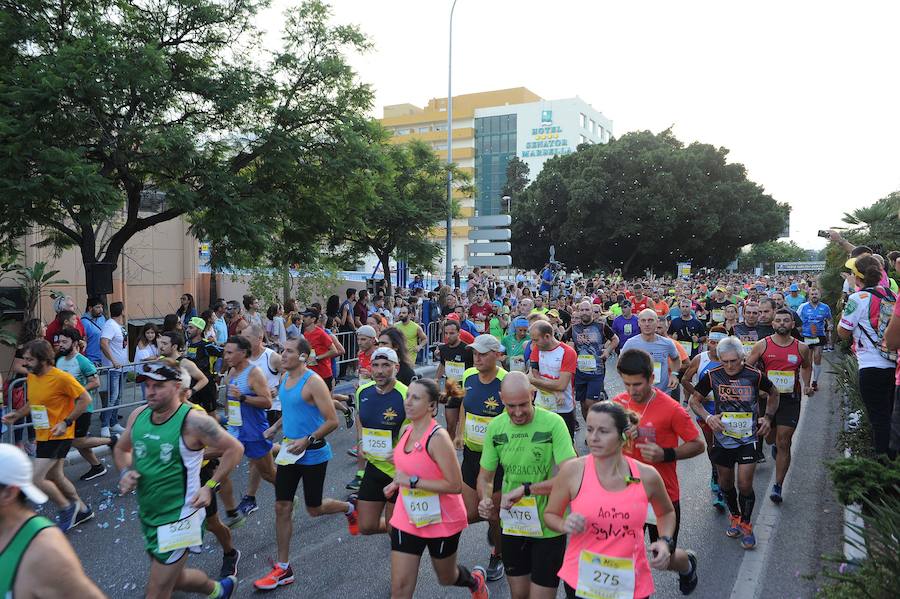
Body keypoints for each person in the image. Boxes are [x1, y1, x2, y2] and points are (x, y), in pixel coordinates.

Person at [115, 361, 243, 599]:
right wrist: (125, 472)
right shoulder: (139, 415)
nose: (150, 391)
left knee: (156, 591)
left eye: (158, 386)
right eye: (147, 385)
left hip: (182, 515)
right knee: (176, 579)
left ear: (176, 387)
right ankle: (219, 590)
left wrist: (210, 487)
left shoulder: (194, 422)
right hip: (150, 512)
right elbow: (122, 449)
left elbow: (234, 449)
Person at [545, 402, 698, 599]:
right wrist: (564, 524)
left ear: (623, 435)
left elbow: (666, 512)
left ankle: (688, 564)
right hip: (581, 577)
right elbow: (550, 515)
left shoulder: (647, 476)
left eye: (603, 431)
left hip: (630, 580)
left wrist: (665, 540)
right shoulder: (572, 471)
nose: (593, 438)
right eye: (590, 429)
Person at [253, 337, 359, 591]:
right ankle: (283, 567)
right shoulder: (283, 379)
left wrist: (308, 439)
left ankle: (348, 507)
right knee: (282, 506)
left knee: (314, 508)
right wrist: (275, 428)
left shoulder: (313, 382)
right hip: (290, 451)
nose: (282, 354)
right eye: (281, 350)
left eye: (288, 351)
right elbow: (289, 411)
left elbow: (331, 420)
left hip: (313, 452)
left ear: (302, 356)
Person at [383, 379, 489, 599]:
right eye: (407, 396)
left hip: (441, 519)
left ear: (432, 406)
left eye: (415, 398)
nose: (408, 402)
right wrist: (396, 483)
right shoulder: (406, 431)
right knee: (399, 587)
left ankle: (474, 581)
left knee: (446, 577)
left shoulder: (438, 438)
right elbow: (409, 468)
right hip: (409, 516)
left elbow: (455, 485)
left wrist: (412, 481)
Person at [477, 371, 577, 599]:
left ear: (533, 394)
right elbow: (485, 476)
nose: (518, 412)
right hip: (514, 525)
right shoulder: (496, 427)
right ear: (501, 398)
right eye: (511, 406)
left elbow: (570, 475)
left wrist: (529, 489)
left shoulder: (553, 423)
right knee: (519, 595)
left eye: (524, 404)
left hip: (549, 525)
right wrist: (484, 498)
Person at [611, 350, 704, 593]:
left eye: (638, 384)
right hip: (626, 492)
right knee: (624, 554)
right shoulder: (618, 404)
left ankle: (686, 564)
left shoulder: (671, 409)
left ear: (652, 378)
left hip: (662, 496)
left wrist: (666, 454)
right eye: (627, 384)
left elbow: (698, 444)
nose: (632, 391)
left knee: (663, 558)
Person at [690, 337, 778, 549]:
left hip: (748, 437)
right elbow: (694, 401)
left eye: (734, 361)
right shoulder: (713, 376)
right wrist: (708, 417)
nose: (729, 366)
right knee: (725, 484)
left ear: (742, 357)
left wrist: (767, 417)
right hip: (723, 438)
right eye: (725, 361)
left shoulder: (754, 375)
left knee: (745, 484)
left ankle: (747, 525)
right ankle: (736, 516)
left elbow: (774, 393)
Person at [2, 339, 94, 532]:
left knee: (35, 478)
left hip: (60, 434)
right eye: (25, 359)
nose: (25, 363)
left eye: (30, 359)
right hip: (43, 434)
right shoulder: (33, 376)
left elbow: (85, 399)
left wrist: (66, 422)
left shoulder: (61, 378)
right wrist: (17, 414)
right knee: (55, 476)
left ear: (43, 360)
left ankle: (67, 508)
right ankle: (83, 510)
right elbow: (34, 402)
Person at [0, 444, 106, 598]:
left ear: (8, 493)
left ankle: (75, 509)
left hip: (55, 437)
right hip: (47, 437)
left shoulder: (45, 549)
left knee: (52, 475)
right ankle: (77, 509)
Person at [455, 334, 508, 582]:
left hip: (497, 461)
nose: (477, 358)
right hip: (471, 454)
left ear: (497, 355)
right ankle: (498, 529)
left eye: (483, 353)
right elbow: (465, 405)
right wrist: (459, 432)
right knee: (470, 512)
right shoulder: (468, 376)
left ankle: (498, 553)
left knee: (492, 513)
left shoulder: (506, 382)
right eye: (475, 353)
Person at [747, 309, 814, 503]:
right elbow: (748, 367)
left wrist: (807, 384)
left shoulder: (801, 348)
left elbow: (806, 365)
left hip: (790, 399)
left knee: (784, 441)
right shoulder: (762, 345)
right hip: (767, 399)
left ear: (792, 325)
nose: (782, 323)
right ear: (773, 324)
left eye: (786, 321)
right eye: (778, 321)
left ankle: (778, 485)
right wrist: (757, 387)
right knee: (769, 438)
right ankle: (774, 442)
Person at [220, 335, 276, 521]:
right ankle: (229, 511)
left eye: (230, 352)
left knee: (269, 474)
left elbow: (267, 402)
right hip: (234, 430)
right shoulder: (232, 372)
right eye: (225, 352)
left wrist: (243, 398)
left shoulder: (254, 373)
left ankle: (288, 493)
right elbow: (230, 399)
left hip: (253, 431)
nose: (225, 356)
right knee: (215, 464)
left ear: (243, 353)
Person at [354, 347, 409, 535]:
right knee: (366, 526)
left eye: (386, 365)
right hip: (374, 466)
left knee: (395, 531)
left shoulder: (406, 395)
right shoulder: (362, 392)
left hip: (399, 471)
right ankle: (407, 525)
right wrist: (361, 440)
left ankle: (402, 527)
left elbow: (417, 431)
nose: (379, 371)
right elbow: (359, 416)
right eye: (375, 365)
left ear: (396, 368)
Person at [54, 328, 116, 481]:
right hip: (65, 408)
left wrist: (77, 391)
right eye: (59, 341)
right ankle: (97, 467)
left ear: (74, 343)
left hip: (82, 408)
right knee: (76, 442)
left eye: (64, 342)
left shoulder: (82, 360)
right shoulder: (59, 360)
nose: (60, 345)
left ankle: (113, 441)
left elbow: (96, 382)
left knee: (77, 441)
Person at [680, 327, 727, 510]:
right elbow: (685, 379)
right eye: (712, 342)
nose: (715, 346)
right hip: (705, 410)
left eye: (719, 343)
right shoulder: (701, 359)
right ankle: (716, 472)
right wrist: (698, 394)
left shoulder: (731, 359)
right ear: (708, 342)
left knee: (725, 447)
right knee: (713, 445)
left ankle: (724, 486)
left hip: (729, 412)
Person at [566, 300, 618, 421]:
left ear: (591, 311)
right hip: (580, 372)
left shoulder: (601, 326)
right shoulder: (573, 328)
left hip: (597, 371)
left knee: (591, 403)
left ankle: (596, 425)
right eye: (582, 310)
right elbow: (564, 342)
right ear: (578, 312)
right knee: (583, 405)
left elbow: (615, 339)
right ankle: (590, 427)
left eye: (587, 309)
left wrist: (607, 350)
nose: (585, 312)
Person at [528, 320, 579, 439]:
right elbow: (535, 373)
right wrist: (554, 390)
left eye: (536, 339)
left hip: (563, 407)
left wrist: (534, 381)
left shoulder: (567, 352)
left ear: (547, 336)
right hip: (542, 406)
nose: (533, 343)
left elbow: (562, 385)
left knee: (567, 444)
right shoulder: (537, 348)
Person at [623, 309, 682, 393]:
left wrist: (674, 374)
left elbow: (676, 359)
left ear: (657, 322)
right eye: (643, 321)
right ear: (638, 323)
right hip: (639, 394)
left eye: (650, 320)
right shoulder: (630, 343)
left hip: (663, 392)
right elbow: (621, 365)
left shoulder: (667, 343)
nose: (647, 324)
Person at [435, 319, 475, 442]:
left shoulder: (467, 350)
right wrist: (436, 380)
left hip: (466, 392)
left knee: (466, 429)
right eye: (446, 333)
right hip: (451, 391)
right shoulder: (443, 349)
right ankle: (450, 453)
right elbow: (442, 364)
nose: (448, 336)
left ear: (459, 333)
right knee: (450, 426)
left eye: (451, 333)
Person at [99, 301, 128, 437]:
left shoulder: (117, 325)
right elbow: (103, 343)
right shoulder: (110, 325)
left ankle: (113, 422)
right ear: (122, 311)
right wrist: (113, 361)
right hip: (114, 369)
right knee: (112, 397)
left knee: (118, 397)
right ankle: (104, 425)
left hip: (122, 367)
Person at [184, 317, 224, 414]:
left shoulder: (206, 345)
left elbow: (225, 353)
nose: (187, 330)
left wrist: (220, 372)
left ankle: (222, 426)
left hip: (207, 384)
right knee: (194, 415)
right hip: (193, 385)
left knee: (211, 416)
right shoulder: (188, 344)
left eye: (191, 328)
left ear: (199, 330)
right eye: (187, 327)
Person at [798, 288, 832, 391]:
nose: (814, 296)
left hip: (819, 335)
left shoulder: (825, 307)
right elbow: (796, 318)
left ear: (819, 295)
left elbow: (829, 319)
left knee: (817, 357)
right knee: (808, 361)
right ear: (809, 296)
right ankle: (807, 383)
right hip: (806, 336)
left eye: (816, 294)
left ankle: (815, 381)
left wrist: (830, 325)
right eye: (812, 294)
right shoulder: (803, 307)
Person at [81, 297, 106, 366]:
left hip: (104, 358)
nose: (101, 310)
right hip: (91, 360)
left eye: (102, 307)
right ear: (90, 308)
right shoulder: (84, 322)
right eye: (98, 307)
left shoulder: (102, 318)